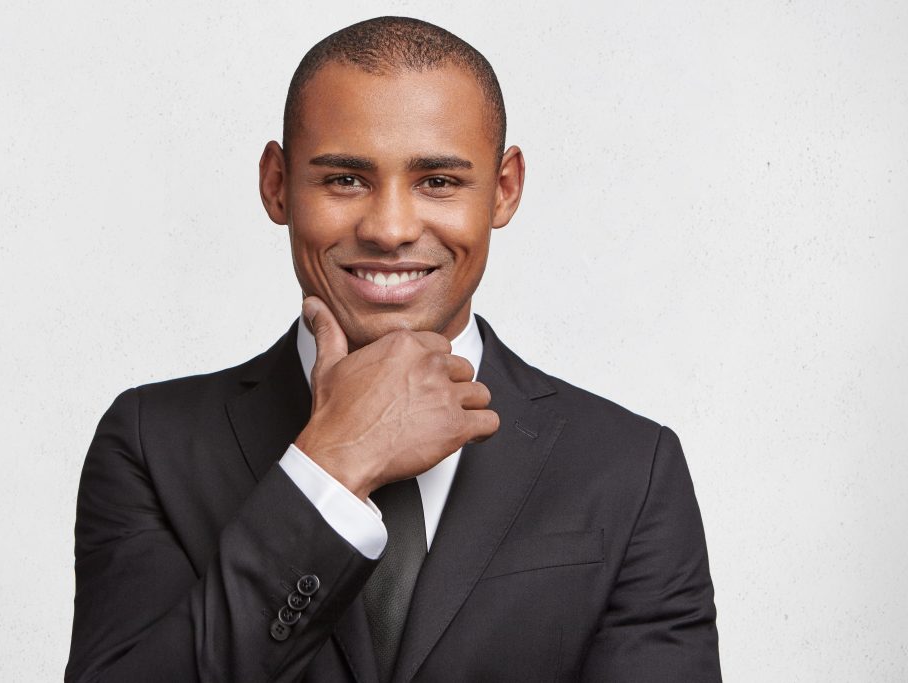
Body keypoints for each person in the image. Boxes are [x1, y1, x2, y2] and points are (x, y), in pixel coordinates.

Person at [66, 16, 721, 682]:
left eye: (437, 181)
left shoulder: (628, 468)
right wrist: (330, 468)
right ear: (276, 184)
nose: (390, 228)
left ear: (503, 189)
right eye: (345, 179)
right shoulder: (153, 442)